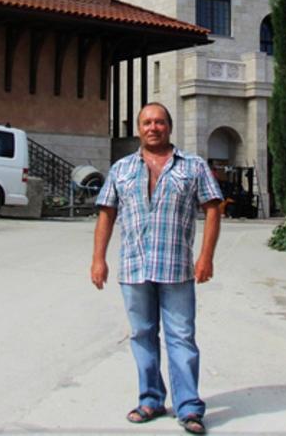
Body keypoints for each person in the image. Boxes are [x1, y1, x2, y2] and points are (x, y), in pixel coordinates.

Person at [91, 102, 222, 435]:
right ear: (139, 128)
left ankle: (189, 407)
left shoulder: (192, 166)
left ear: (169, 127)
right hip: (134, 268)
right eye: (147, 122)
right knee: (142, 335)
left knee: (182, 337)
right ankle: (150, 399)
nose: (153, 127)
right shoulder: (121, 168)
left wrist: (206, 257)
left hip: (176, 268)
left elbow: (213, 208)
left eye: (159, 122)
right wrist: (98, 259)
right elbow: (106, 213)